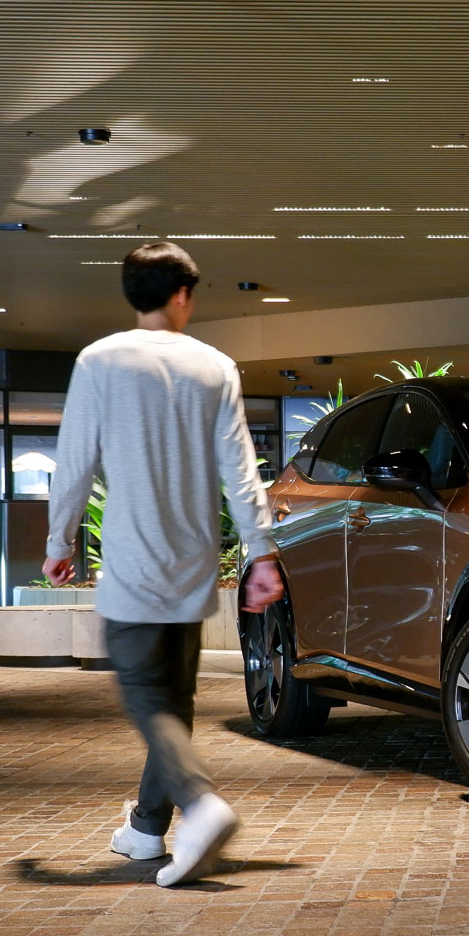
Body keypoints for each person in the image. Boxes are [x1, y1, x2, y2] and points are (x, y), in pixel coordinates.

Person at [44, 241, 284, 887]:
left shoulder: (99, 361)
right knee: (173, 701)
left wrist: (60, 544)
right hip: (193, 561)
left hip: (132, 559)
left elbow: (75, 463)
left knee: (145, 695)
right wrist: (260, 553)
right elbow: (241, 471)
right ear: (182, 295)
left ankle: (201, 805)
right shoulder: (215, 367)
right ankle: (147, 827)